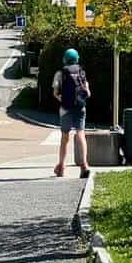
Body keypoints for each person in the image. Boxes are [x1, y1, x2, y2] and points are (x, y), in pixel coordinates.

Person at [53, 47, 90, 178]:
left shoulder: (60, 73)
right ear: (77, 58)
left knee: (65, 137)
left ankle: (61, 166)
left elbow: (56, 92)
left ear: (65, 59)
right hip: (80, 108)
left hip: (65, 109)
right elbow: (88, 93)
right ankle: (84, 165)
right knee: (81, 134)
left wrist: (63, 99)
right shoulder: (81, 72)